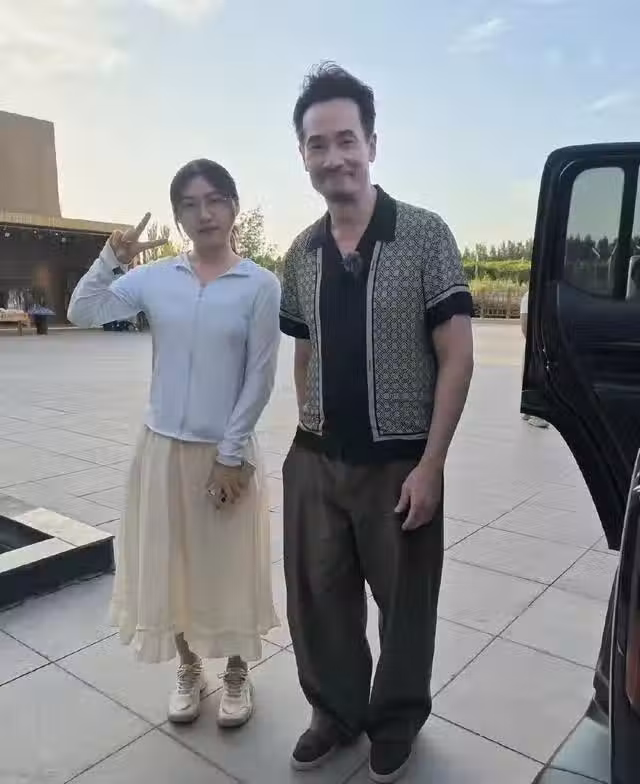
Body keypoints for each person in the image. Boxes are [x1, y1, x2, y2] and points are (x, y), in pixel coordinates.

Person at [279, 64, 475, 783]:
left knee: (406, 606)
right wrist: (309, 434)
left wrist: (432, 465)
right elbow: (304, 353)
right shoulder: (300, 252)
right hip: (317, 461)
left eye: (346, 140)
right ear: (302, 154)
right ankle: (334, 712)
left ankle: (394, 721)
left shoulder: (423, 235)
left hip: (400, 463)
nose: (334, 157)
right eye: (317, 144)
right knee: (318, 599)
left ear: (371, 144)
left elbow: (457, 356)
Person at [67, 159, 281, 729]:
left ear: (234, 207)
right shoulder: (157, 278)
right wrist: (110, 259)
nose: (203, 213)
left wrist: (231, 456)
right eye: (189, 204)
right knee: (173, 563)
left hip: (226, 453)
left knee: (228, 565)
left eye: (214, 200)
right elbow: (83, 311)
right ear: (178, 216)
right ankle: (189, 668)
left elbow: (259, 377)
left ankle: (236, 672)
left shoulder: (259, 285)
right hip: (161, 451)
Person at [520, 288, 549, 428]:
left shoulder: (530, 295)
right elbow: (525, 323)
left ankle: (528, 409)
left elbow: (524, 323)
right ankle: (537, 414)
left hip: (535, 342)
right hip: (540, 343)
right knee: (539, 374)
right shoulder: (536, 295)